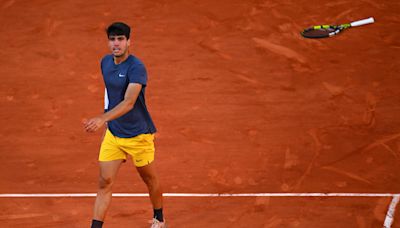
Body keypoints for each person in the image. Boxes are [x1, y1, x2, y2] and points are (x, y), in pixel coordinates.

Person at [84, 22, 166, 228]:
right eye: (112, 39)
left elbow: (129, 102)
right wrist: (107, 125)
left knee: (149, 179)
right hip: (114, 134)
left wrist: (103, 119)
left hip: (139, 135)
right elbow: (108, 95)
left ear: (129, 42)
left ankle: (159, 219)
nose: (116, 44)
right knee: (104, 182)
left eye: (120, 39)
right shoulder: (105, 62)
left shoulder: (137, 67)